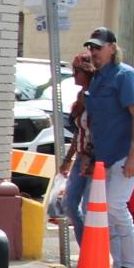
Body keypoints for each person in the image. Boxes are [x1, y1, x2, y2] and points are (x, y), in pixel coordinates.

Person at [79, 27, 134, 268]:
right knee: (102, 211)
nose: (94, 52)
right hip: (105, 155)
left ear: (112, 48)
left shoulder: (125, 75)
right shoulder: (97, 79)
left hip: (125, 152)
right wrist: (90, 155)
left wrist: (133, 155)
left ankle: (132, 263)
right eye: (91, 47)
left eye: (99, 47)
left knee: (115, 205)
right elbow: (96, 123)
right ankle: (120, 265)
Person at [57, 52, 96, 245]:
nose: (73, 75)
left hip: (94, 160)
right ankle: (85, 250)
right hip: (81, 158)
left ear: (88, 72)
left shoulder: (98, 97)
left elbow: (97, 131)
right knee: (69, 204)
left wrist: (90, 156)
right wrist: (68, 159)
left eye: (77, 71)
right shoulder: (81, 96)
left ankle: (93, 254)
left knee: (90, 208)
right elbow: (79, 133)